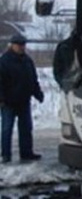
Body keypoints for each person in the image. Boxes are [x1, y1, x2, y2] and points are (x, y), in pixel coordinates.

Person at [0, 34, 44, 163]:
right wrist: (1, 99)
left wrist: (38, 94)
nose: (21, 47)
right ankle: (5, 155)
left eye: (23, 45)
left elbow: (32, 80)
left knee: (26, 129)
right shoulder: (4, 61)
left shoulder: (27, 61)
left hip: (24, 101)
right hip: (9, 102)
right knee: (7, 129)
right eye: (18, 45)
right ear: (12, 45)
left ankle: (26, 153)